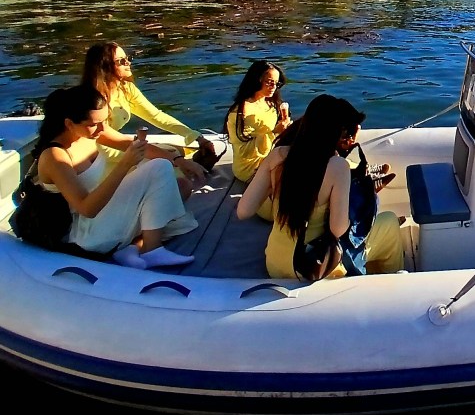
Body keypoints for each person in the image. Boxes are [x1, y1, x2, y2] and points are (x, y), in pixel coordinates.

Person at [236, 94, 403, 279]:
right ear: (340, 135)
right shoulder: (338, 167)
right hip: (312, 266)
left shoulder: (277, 156)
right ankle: (389, 283)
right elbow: (338, 229)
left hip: (275, 263)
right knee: (388, 222)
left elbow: (243, 211)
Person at [32, 85, 195, 269]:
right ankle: (151, 250)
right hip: (85, 233)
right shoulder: (55, 156)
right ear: (69, 124)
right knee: (158, 170)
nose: (102, 129)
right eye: (94, 124)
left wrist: (177, 159)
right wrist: (125, 164)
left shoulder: (92, 132)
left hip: (104, 215)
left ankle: (135, 246)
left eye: (104, 121)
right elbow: (87, 208)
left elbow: (131, 144)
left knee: (167, 173)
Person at [81, 42, 213, 196]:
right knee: (178, 177)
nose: (128, 63)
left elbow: (156, 116)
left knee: (175, 150)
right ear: (104, 66)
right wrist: (175, 160)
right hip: (106, 155)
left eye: (128, 58)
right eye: (121, 61)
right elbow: (110, 144)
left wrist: (196, 136)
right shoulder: (93, 101)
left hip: (122, 146)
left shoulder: (125, 88)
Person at [334, 103, 404, 275]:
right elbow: (338, 228)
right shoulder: (334, 169)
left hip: (278, 255)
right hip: (314, 260)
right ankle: (393, 284)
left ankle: (364, 184)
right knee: (389, 222)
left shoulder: (287, 157)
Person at [225, 61, 292, 185]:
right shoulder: (240, 112)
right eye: (269, 82)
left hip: (271, 156)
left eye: (277, 83)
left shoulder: (271, 103)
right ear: (256, 80)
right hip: (250, 166)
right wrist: (274, 133)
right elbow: (244, 151)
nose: (273, 87)